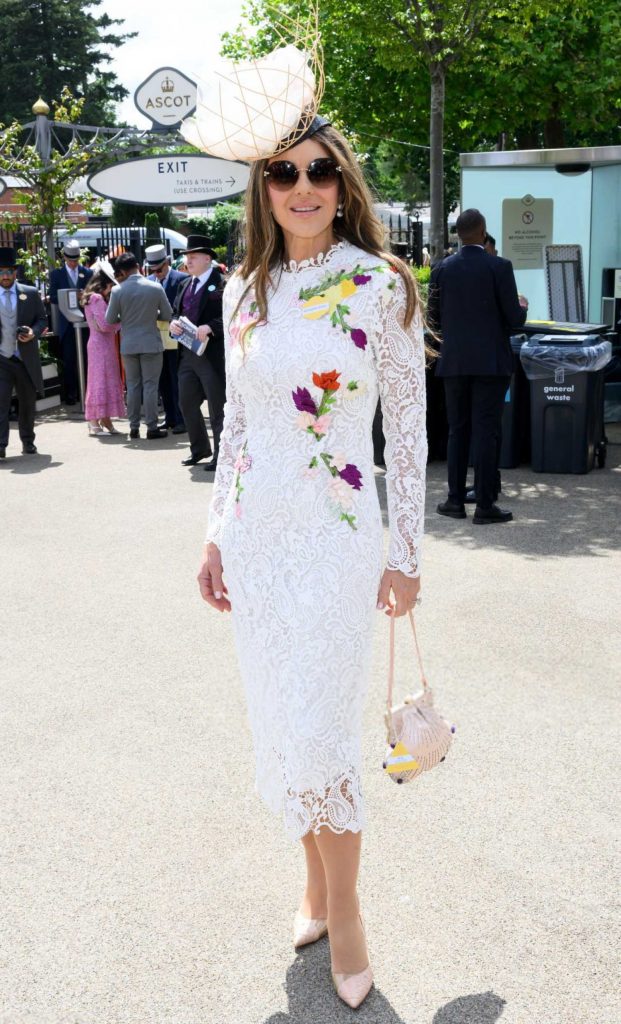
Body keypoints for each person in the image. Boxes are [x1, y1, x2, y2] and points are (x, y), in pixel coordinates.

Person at [191, 66, 427, 1007]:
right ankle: (314, 889)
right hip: (257, 539)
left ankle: (349, 909)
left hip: (335, 541)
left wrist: (405, 554)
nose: (301, 189)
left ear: (343, 184)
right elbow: (238, 430)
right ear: (261, 188)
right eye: (282, 174)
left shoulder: (380, 285)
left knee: (324, 729)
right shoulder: (242, 292)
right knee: (284, 727)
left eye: (319, 172)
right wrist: (214, 534)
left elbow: (405, 434)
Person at [428, 208, 528, 524]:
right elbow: (514, 320)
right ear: (483, 232)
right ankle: (485, 505)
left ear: (459, 234)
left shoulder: (441, 269)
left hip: (454, 363)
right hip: (491, 364)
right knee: (486, 431)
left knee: (458, 430)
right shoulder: (499, 267)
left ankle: (455, 501)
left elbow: (433, 321)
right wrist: (522, 307)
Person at [169, 235, 225, 470]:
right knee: (187, 402)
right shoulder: (184, 284)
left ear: (207, 258)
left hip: (211, 356)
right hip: (188, 355)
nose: (188, 261)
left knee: (217, 407)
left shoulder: (221, 282)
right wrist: (173, 324)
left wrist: (211, 326)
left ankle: (222, 455)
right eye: (187, 257)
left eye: (192, 257)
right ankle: (199, 449)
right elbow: (175, 312)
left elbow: (231, 317)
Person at [105, 252, 173, 440]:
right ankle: (152, 427)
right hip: (151, 342)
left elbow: (110, 319)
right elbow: (167, 314)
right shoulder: (154, 287)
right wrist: (152, 315)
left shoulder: (118, 291)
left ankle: (133, 427)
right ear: (138, 265)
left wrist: (126, 318)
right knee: (150, 385)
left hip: (129, 344)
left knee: (133, 386)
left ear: (122, 271)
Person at [0, 247, 47, 459]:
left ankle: (28, 441)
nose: (5, 276)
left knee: (27, 402)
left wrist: (33, 332)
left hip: (24, 357)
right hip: (1, 358)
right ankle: (0, 445)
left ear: (15, 272)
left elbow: (42, 319)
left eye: (9, 271)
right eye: (1, 271)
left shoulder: (30, 293)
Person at [145, 244, 188, 434]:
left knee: (177, 379)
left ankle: (181, 419)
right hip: (156, 339)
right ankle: (170, 417)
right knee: (162, 380)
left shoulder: (182, 279)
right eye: (152, 270)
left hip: (176, 338)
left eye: (160, 269)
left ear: (167, 263)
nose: (157, 273)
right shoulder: (148, 282)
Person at [81, 260, 125, 436]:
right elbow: (104, 325)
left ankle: (104, 419)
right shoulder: (97, 298)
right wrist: (120, 322)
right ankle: (94, 422)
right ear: (105, 284)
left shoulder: (91, 297)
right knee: (99, 380)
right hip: (101, 344)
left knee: (102, 379)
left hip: (100, 343)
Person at [48, 239, 92, 405]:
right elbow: (52, 297)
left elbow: (94, 294)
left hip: (84, 323)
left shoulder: (87, 273)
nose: (73, 263)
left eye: (76, 260)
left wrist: (84, 296)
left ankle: (86, 392)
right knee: (69, 359)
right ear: (64, 257)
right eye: (70, 260)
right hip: (66, 324)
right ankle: (71, 393)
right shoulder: (56, 275)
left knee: (87, 358)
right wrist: (69, 295)